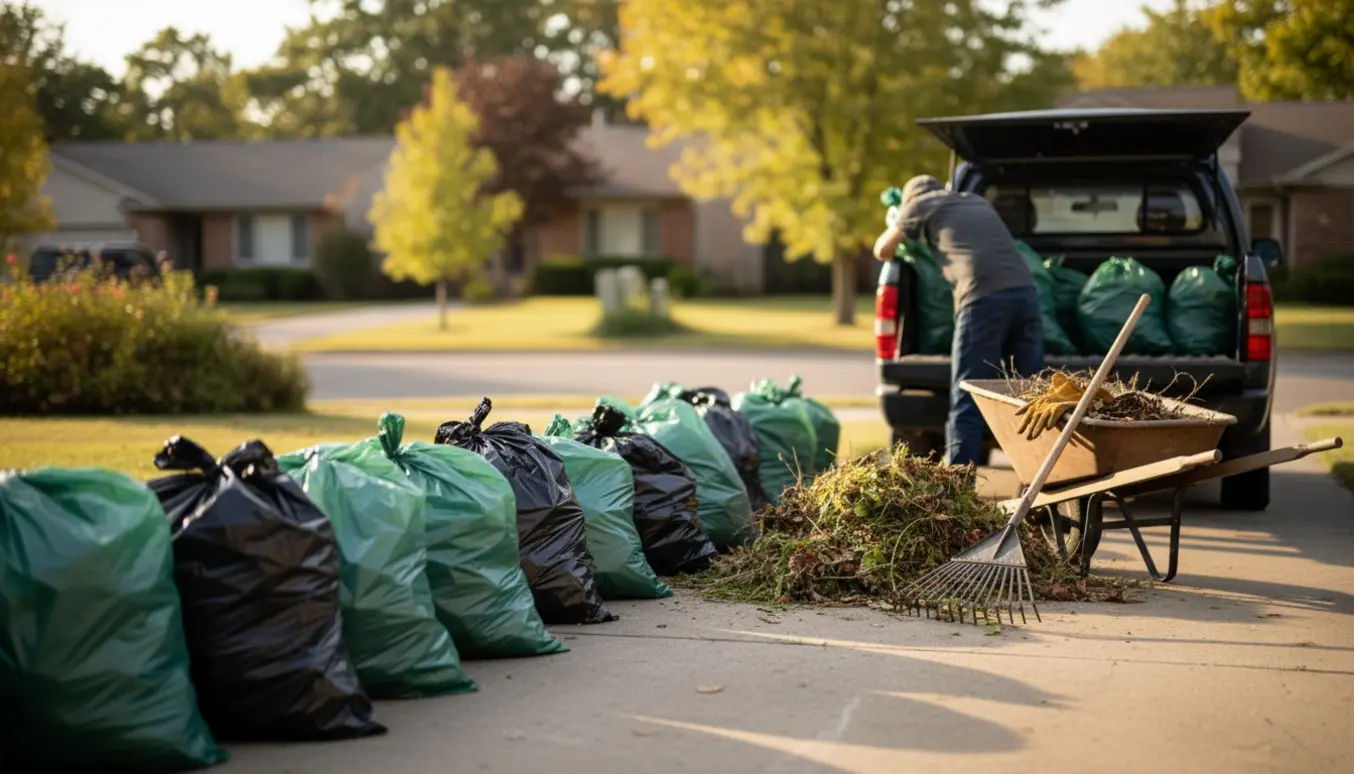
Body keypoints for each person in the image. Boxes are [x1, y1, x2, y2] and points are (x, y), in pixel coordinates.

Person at [873, 174, 1044, 468]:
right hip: (1026, 297)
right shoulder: (976, 201)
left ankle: (959, 483)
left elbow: (882, 250)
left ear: (910, 199)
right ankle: (1043, 476)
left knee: (968, 394)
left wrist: (902, 225)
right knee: (1034, 398)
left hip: (982, 300)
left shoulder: (919, 205)